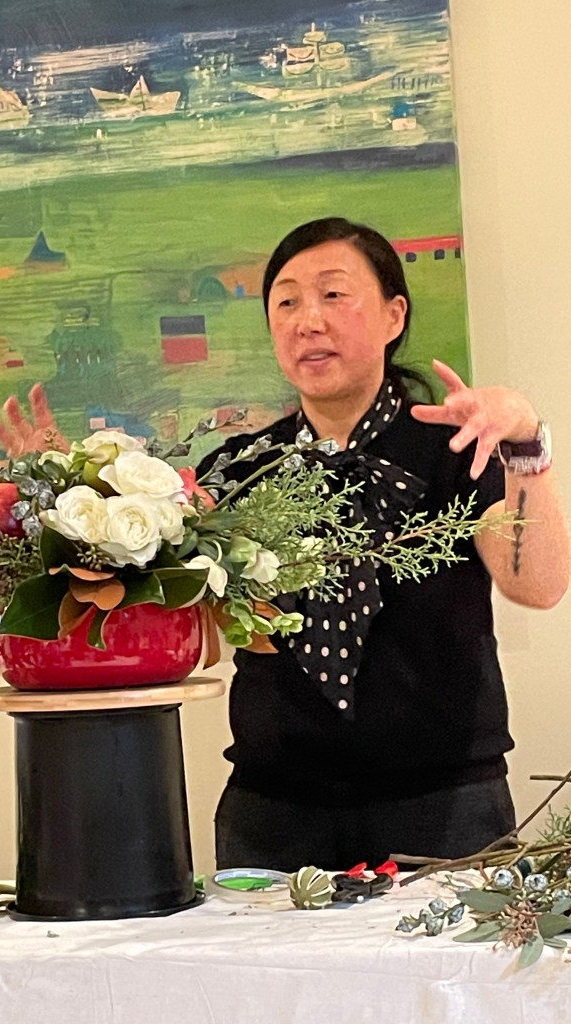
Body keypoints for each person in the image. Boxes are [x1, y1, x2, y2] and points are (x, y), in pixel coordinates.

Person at [195, 216, 569, 872]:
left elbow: (538, 586)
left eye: (333, 294)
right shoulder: (238, 470)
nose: (308, 321)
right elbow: (203, 639)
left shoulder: (457, 447)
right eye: (286, 302)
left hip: (445, 804)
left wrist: (524, 444)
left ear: (394, 315)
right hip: (274, 810)